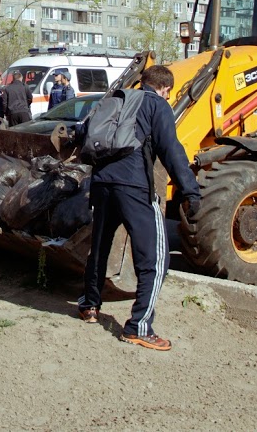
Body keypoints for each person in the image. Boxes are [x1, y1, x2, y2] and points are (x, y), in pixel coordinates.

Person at [77, 65, 202, 351]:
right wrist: (190, 191)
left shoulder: (116, 100)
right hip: (133, 186)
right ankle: (138, 327)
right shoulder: (158, 105)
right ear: (166, 89)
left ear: (142, 81)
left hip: (101, 183)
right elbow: (171, 150)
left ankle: (89, 304)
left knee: (99, 248)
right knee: (155, 259)